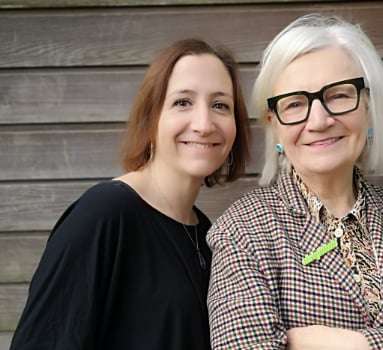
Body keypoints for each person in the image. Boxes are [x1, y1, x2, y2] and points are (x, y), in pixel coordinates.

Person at [207, 14, 383, 349]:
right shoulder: (244, 230)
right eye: (295, 104)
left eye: (339, 95)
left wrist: (352, 343)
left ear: (368, 108)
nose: (318, 120)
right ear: (275, 126)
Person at [10, 38, 250, 350]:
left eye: (220, 105)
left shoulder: (208, 233)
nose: (204, 124)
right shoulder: (105, 215)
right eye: (182, 102)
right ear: (151, 119)